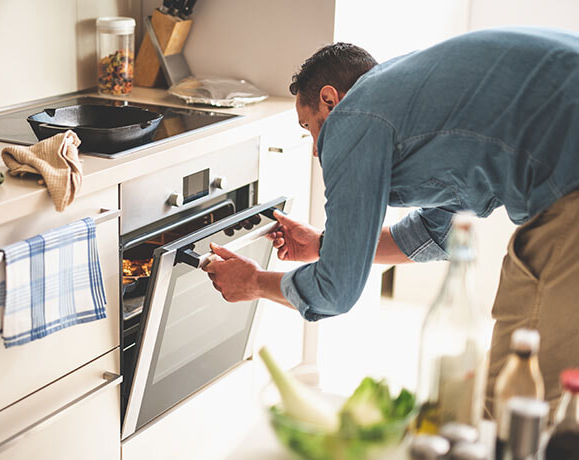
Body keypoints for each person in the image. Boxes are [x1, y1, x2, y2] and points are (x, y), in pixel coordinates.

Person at [202, 27, 579, 413]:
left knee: (508, 399)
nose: (317, 149)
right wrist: (323, 246)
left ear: (330, 101)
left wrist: (252, 283)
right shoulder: (419, 102)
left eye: (309, 127)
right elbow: (435, 233)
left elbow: (336, 291)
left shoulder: (353, 117)